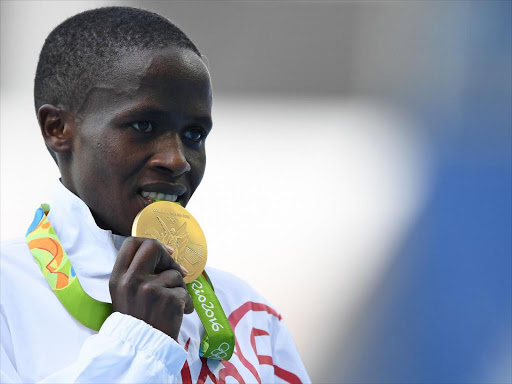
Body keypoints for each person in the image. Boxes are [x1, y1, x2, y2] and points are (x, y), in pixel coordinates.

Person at [0, 6, 310, 384]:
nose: (177, 159)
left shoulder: (249, 316)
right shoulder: (8, 292)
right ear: (58, 128)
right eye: (144, 125)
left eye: (194, 134)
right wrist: (137, 340)